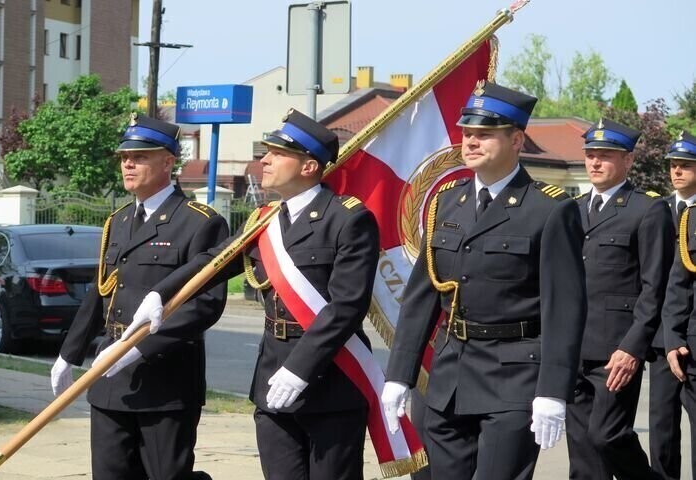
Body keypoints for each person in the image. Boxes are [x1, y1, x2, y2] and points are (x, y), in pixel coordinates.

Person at [120, 109, 380, 480]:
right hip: (272, 377)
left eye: (276, 153)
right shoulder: (265, 219)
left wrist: (300, 368)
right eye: (265, 152)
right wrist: (161, 293)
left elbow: (347, 306)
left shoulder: (348, 219)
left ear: (308, 167)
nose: (265, 161)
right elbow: (215, 261)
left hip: (330, 380)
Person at [381, 81, 587, 480]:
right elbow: (422, 296)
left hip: (515, 379)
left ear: (516, 139)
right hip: (450, 378)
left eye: (484, 134)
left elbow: (564, 309)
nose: (471, 142)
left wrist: (552, 390)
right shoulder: (447, 202)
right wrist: (399, 375)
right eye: (467, 133)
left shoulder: (549, 209)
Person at [49, 114, 228, 480]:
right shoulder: (118, 221)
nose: (128, 163)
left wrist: (137, 348)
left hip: (165, 381)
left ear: (168, 161)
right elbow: (102, 294)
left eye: (140, 156)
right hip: (110, 382)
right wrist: (69, 353)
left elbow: (204, 304)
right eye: (124, 157)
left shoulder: (200, 222)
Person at [566, 118, 674, 480]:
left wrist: (633, 348)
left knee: (606, 434)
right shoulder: (573, 209)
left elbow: (654, 287)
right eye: (590, 155)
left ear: (628, 161)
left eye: (606, 156)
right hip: (574, 347)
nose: (595, 163)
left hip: (616, 350)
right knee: (581, 451)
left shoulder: (647, 210)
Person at [650, 131, 696, 480]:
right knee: (661, 428)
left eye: (686, 166)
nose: (677, 172)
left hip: (691, 334)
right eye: (673, 166)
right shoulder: (657, 210)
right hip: (658, 337)